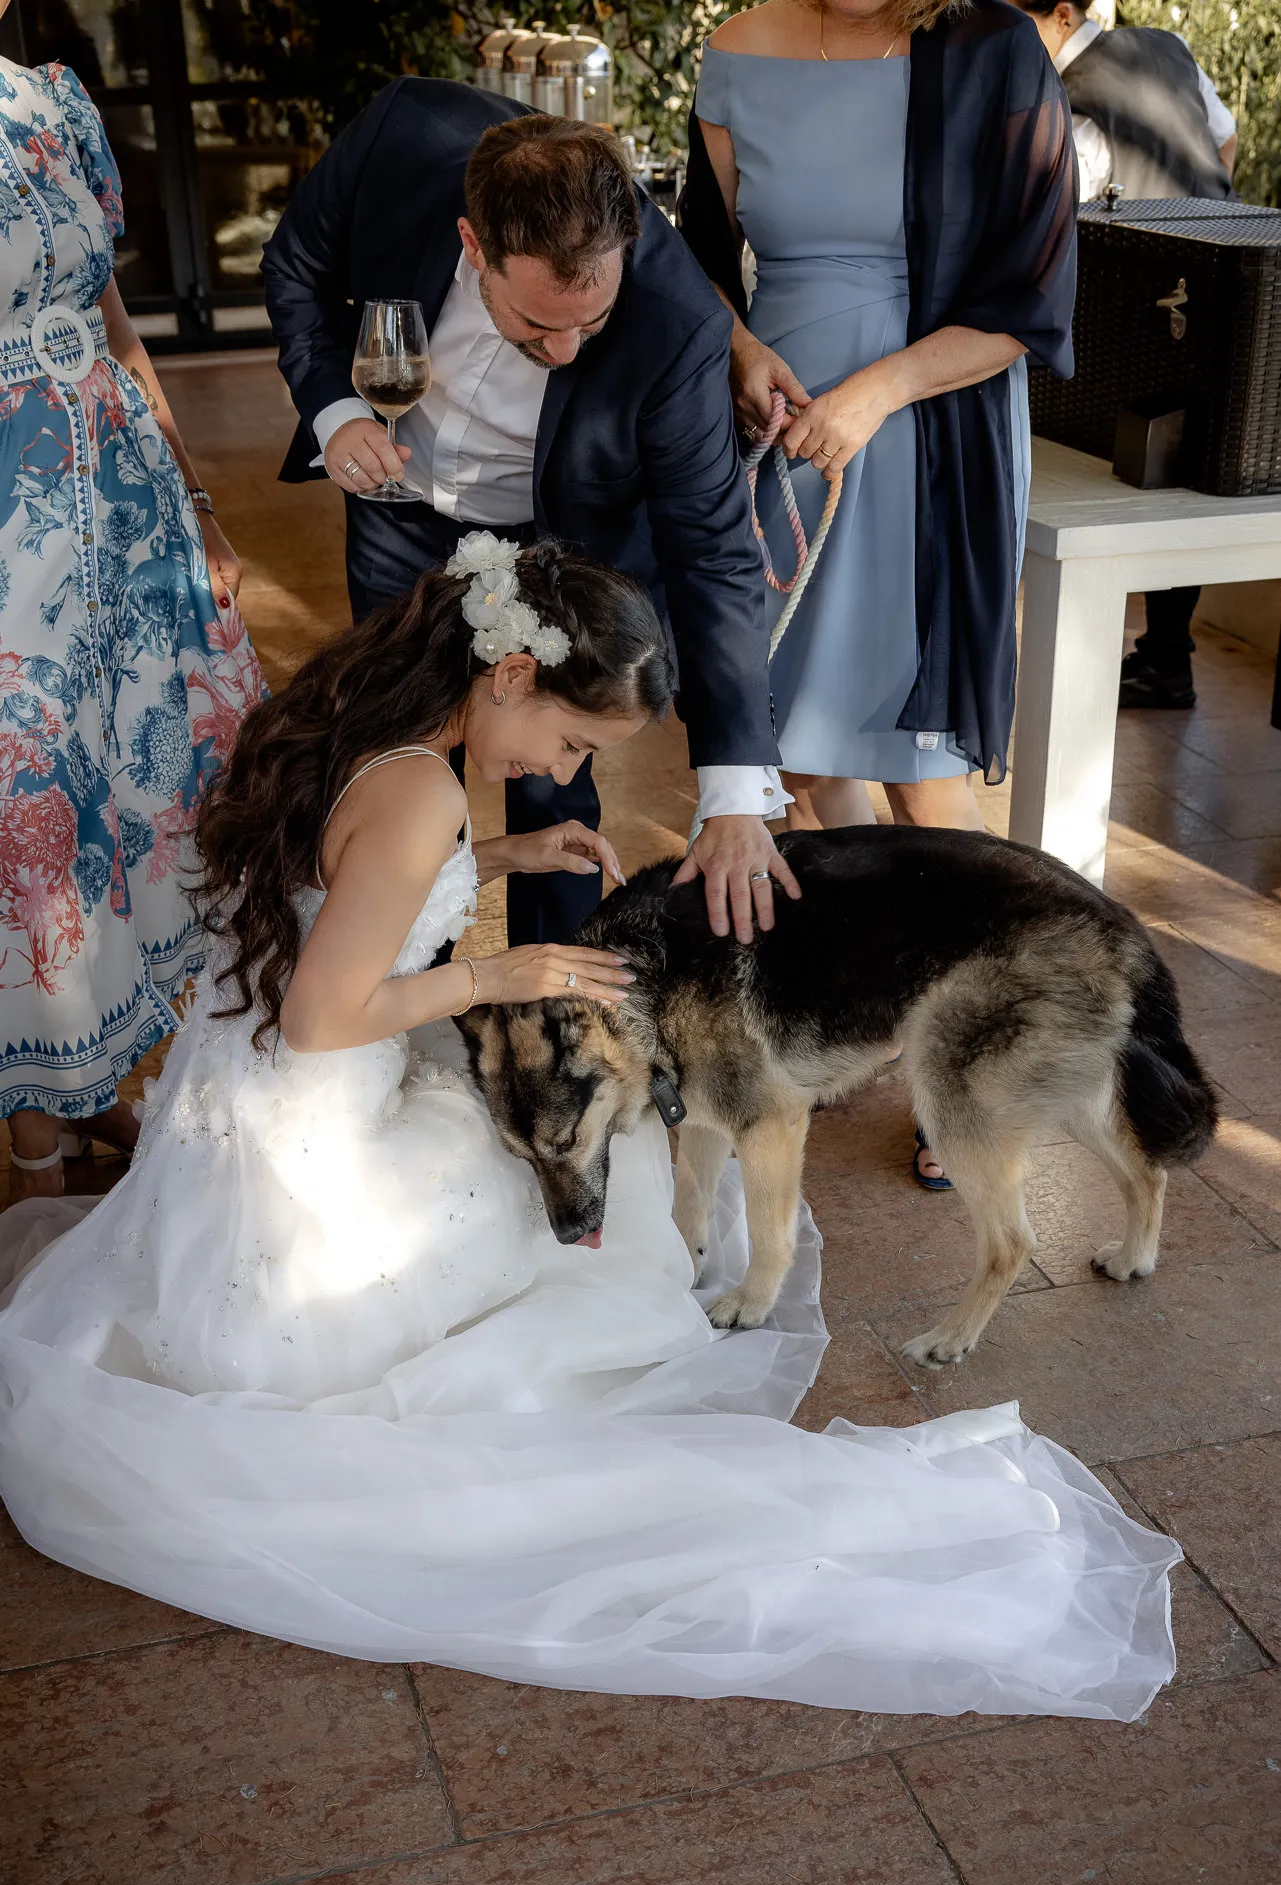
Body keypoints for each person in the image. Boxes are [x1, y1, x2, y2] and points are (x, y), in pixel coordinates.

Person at [0, 533, 1180, 1720]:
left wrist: (499, 853)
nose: (565, 766)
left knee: (576, 1141)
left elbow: (345, 877)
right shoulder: (417, 791)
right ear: (512, 674)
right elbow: (324, 1015)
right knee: (584, 1179)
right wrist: (489, 977)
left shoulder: (372, 724)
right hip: (321, 1114)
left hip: (234, 1097)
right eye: (572, 744)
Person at [676, 0, 1076, 1185]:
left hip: (925, 426)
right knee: (795, 750)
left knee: (919, 761)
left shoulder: (990, 47)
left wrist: (874, 396)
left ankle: (987, 1054)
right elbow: (697, 260)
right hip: (781, 425)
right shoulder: (737, 45)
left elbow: (1028, 299)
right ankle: (900, 996)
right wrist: (743, 351)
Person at [262, 94, 799, 952]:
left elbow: (711, 549)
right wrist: (334, 411)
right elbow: (294, 268)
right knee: (397, 762)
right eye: (539, 324)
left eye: (592, 321)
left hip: (557, 541)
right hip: (400, 508)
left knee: (551, 777)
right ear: (474, 244)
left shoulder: (676, 325)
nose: (567, 351)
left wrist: (733, 793)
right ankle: (398, 989)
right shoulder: (401, 139)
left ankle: (549, 1018)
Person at [0, 47, 265, 1206]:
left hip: (124, 500)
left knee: (145, 785)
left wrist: (197, 500)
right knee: (27, 806)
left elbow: (115, 323)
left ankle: (86, 1078)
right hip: (12, 520)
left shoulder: (55, 100)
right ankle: (35, 1140)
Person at [1016, 0, 1239, 711]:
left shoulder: (1069, 100)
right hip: (1220, 292)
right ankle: (1164, 659)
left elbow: (1056, 223)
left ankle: (1088, 665)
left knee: (1115, 491)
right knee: (1183, 476)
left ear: (1057, 13)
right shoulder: (1166, 47)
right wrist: (1194, 215)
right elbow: (1225, 142)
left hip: (1142, 314)